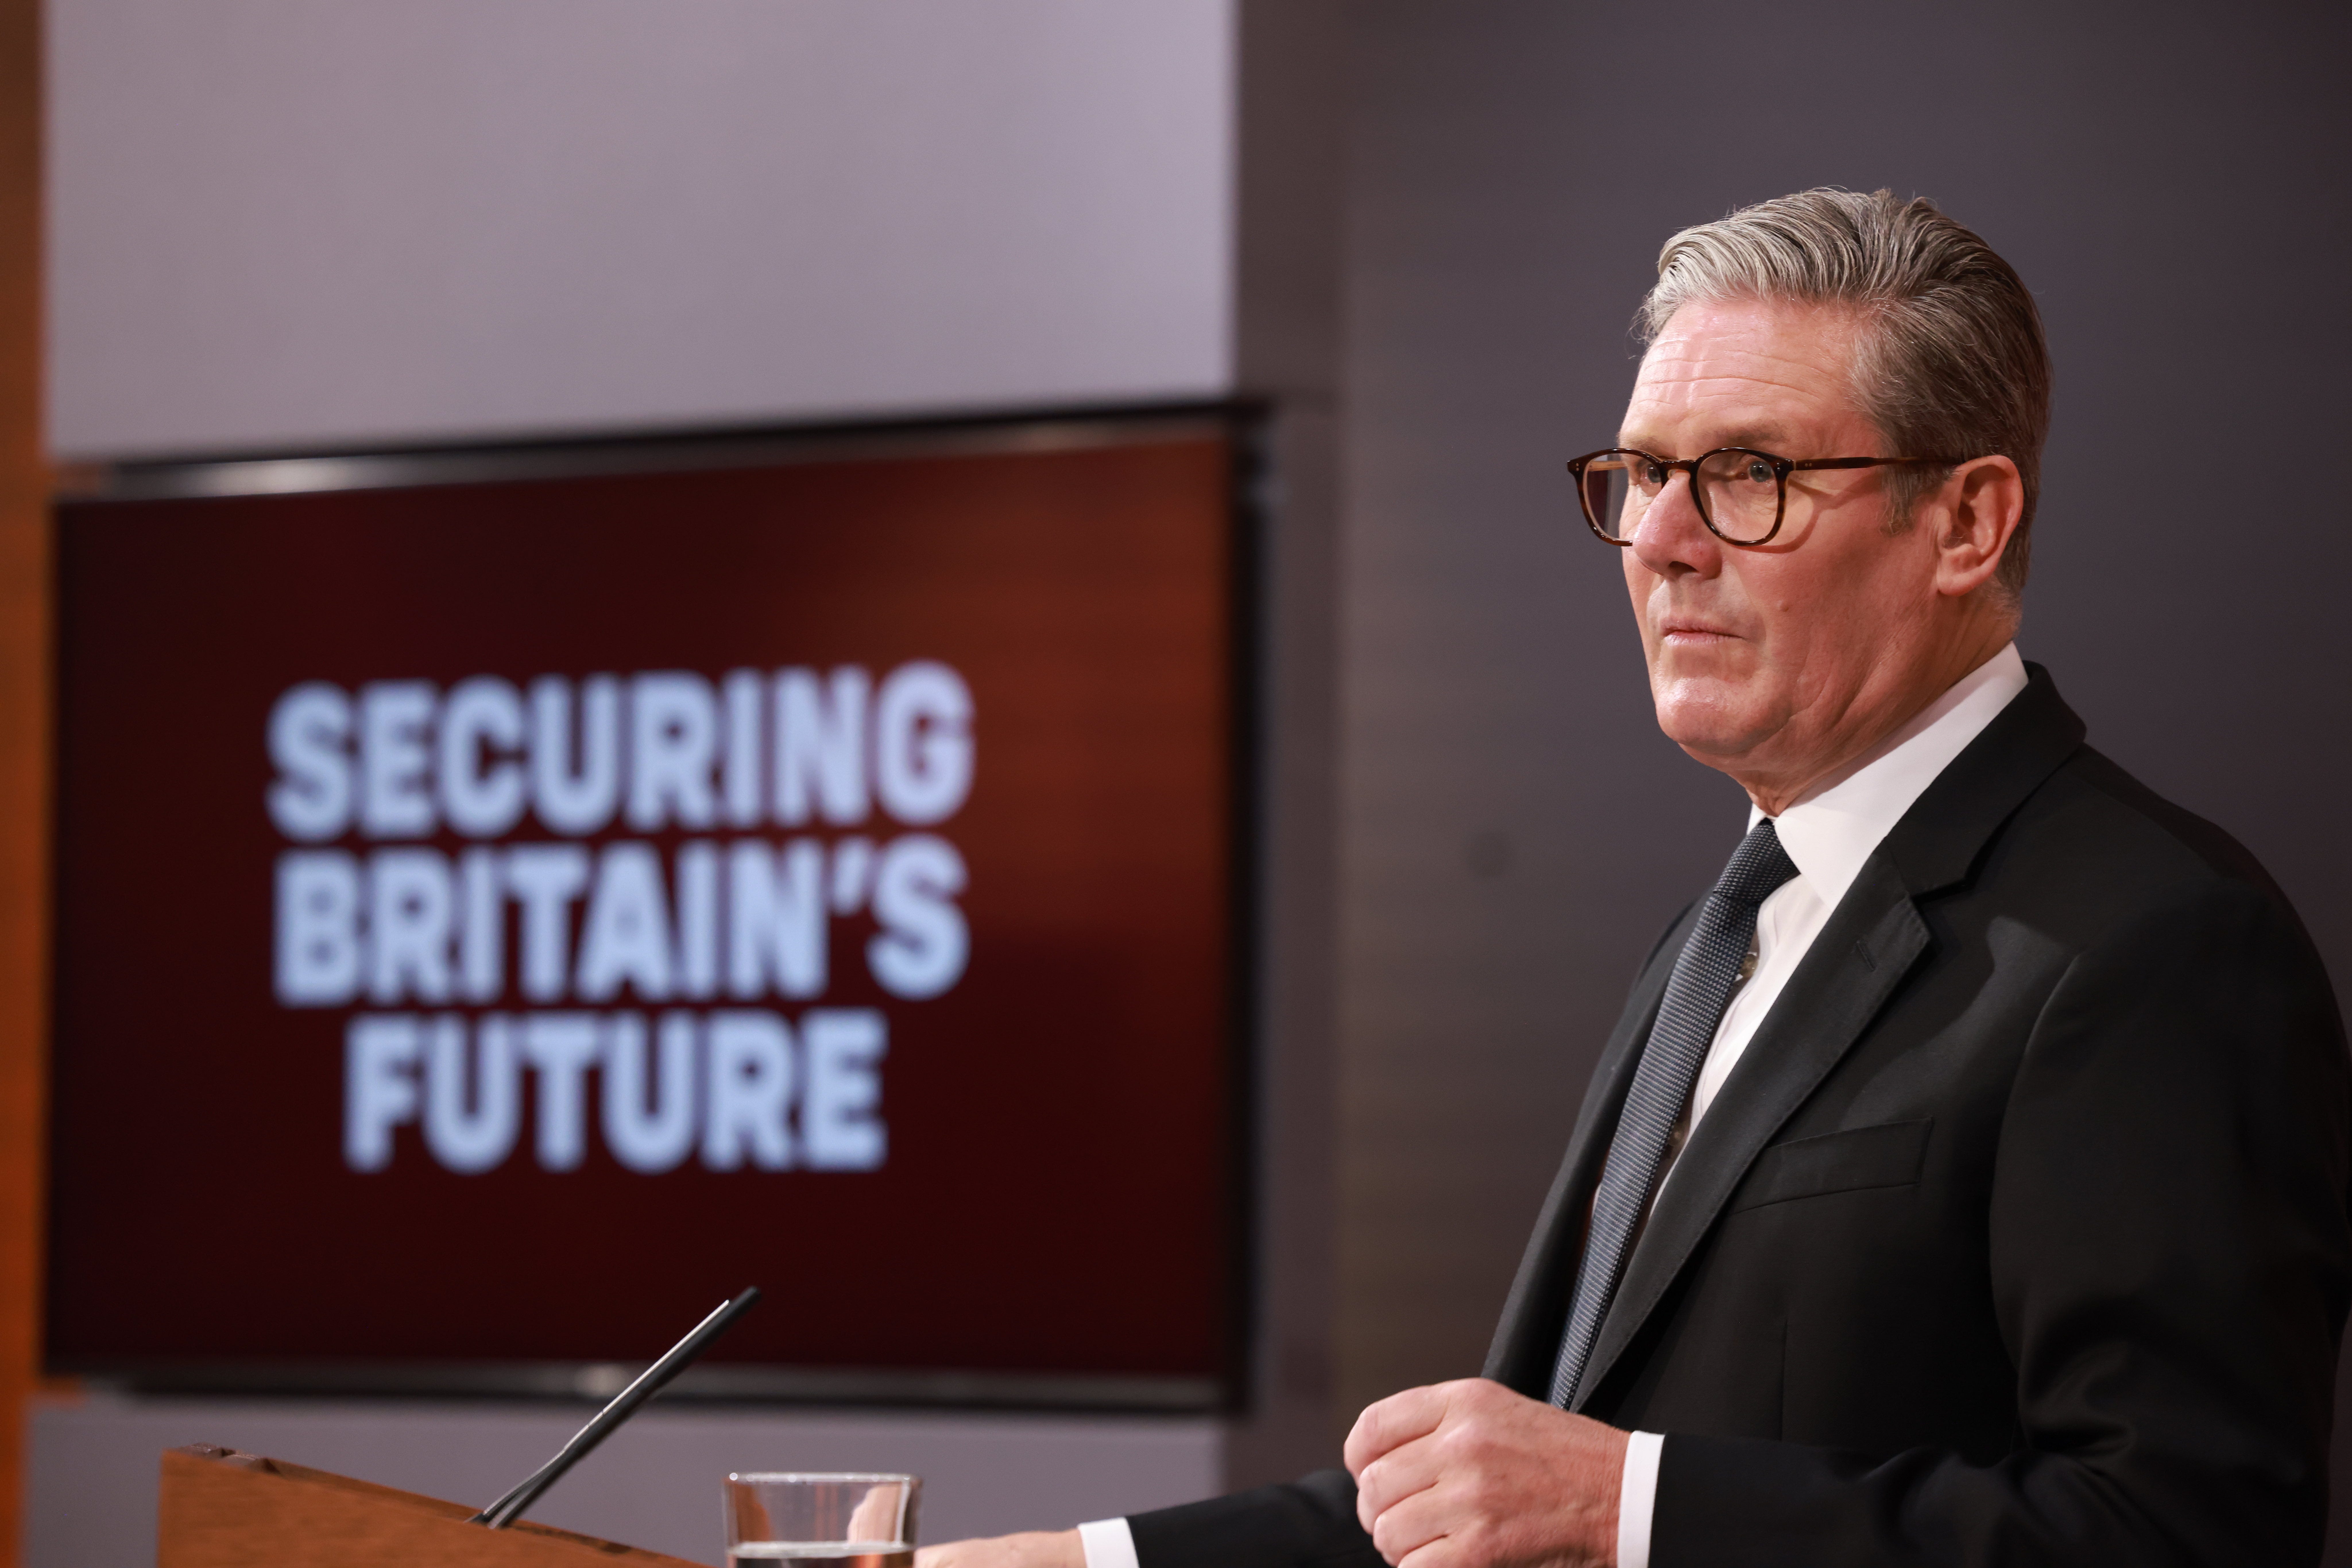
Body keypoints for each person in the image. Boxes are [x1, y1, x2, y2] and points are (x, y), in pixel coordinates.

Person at [917, 189, 2351, 1568]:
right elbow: (1497, 1507)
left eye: (1748, 477)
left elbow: (2185, 1532)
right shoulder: (1722, 930)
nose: (1661, 542)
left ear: (1963, 525)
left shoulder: (2149, 944)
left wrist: (1636, 1507)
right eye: (1644, 474)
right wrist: (1062, 1560)